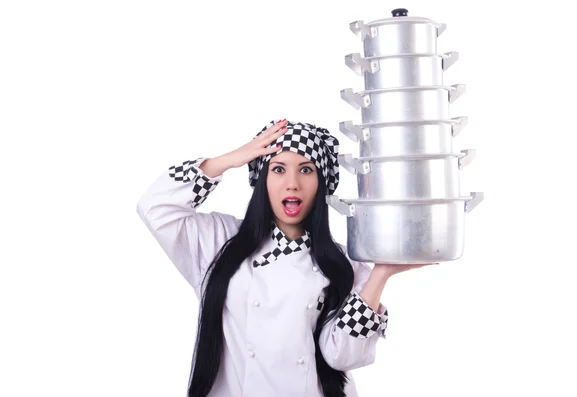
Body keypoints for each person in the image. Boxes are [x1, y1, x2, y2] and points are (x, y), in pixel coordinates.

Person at [136, 119, 434, 397]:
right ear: (262, 178)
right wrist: (228, 160)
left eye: (306, 170)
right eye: (278, 169)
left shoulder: (345, 264)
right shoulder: (219, 240)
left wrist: (381, 273)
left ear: (322, 182)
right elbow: (155, 207)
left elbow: (344, 356)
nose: (292, 183)